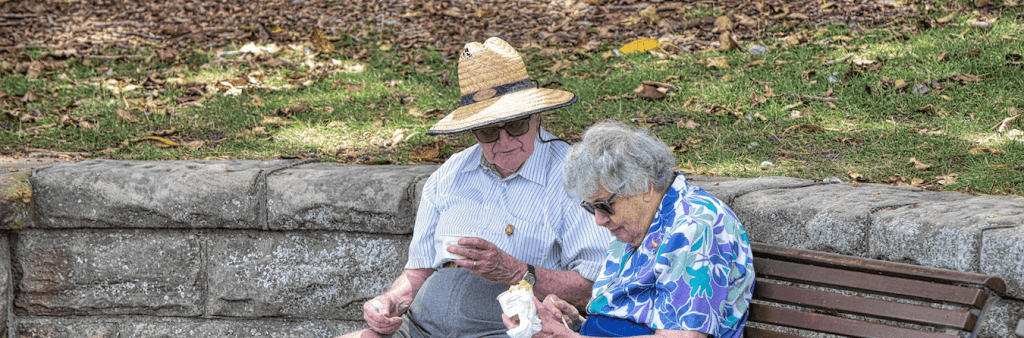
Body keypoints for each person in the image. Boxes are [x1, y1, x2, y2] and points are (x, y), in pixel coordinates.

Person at [337, 37, 611, 338]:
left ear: (537, 117)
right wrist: (390, 301)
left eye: (516, 125)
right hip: (418, 327)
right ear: (473, 131)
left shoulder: (573, 178)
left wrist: (519, 272)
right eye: (488, 131)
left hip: (514, 331)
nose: (504, 142)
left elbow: (595, 287)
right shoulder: (451, 174)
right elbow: (416, 273)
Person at [504, 120, 755, 338]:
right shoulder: (636, 224)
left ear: (644, 187)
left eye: (604, 206)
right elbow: (631, 315)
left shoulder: (694, 225)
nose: (599, 220)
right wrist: (575, 324)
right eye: (592, 209)